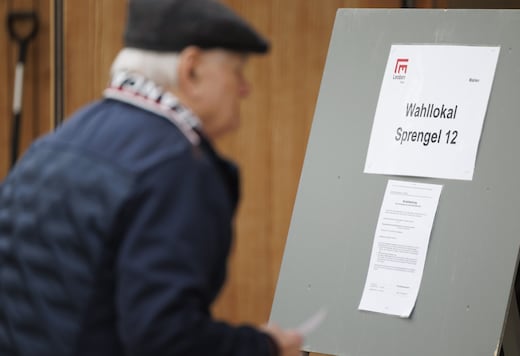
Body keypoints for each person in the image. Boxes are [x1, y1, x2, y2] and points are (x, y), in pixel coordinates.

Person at [0, 0, 303, 355]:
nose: (244, 89)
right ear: (191, 70)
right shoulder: (174, 169)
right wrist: (265, 347)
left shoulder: (53, 144)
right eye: (237, 71)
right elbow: (166, 339)